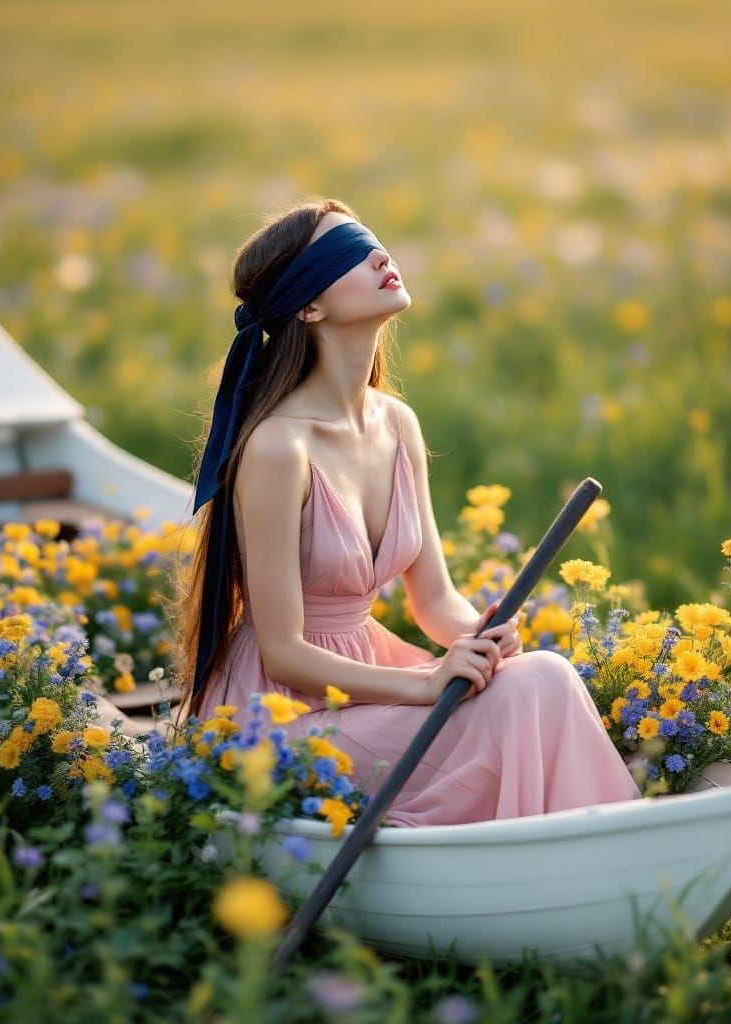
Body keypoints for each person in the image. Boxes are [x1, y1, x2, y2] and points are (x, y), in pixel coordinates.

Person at [171, 196, 642, 826]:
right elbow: (283, 652)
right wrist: (425, 684)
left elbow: (435, 601)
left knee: (539, 677)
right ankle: (575, 851)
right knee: (533, 691)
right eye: (346, 253)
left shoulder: (396, 422)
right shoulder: (279, 447)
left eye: (372, 239)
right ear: (309, 307)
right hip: (285, 709)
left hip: (370, 676)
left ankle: (597, 846)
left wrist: (478, 639)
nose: (379, 256)